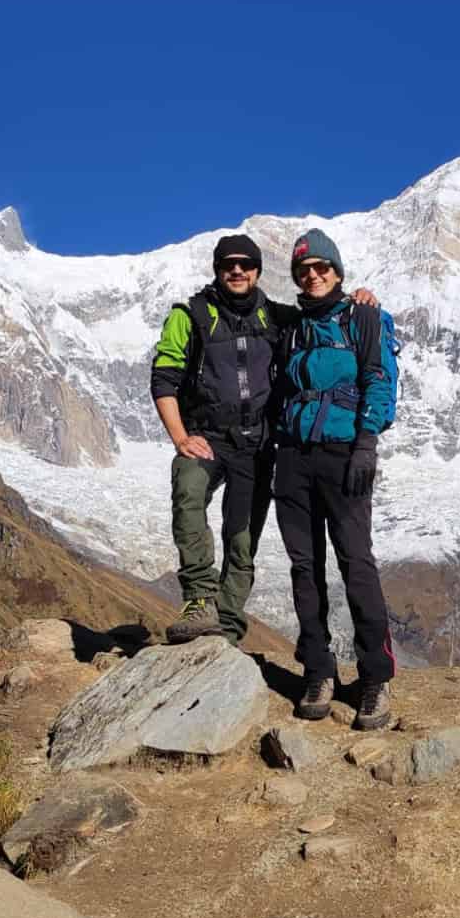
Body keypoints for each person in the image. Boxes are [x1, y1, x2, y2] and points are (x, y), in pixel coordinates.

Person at [271, 227, 396, 730]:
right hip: (295, 458)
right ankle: (319, 671)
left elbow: (380, 381)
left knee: (356, 563)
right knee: (305, 567)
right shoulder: (291, 326)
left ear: (338, 273)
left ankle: (374, 678)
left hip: (345, 455)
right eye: (304, 270)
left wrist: (367, 443)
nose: (314, 275)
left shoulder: (365, 318)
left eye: (322, 268)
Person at [150, 234, 286, 647]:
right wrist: (180, 437)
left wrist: (361, 299)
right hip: (206, 437)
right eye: (229, 264)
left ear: (258, 270)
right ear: (217, 269)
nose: (238, 270)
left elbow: (328, 317)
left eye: (246, 264)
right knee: (188, 488)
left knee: (242, 542)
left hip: (256, 445)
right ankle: (198, 600)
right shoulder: (189, 314)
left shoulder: (278, 318)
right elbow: (164, 377)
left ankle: (225, 629)